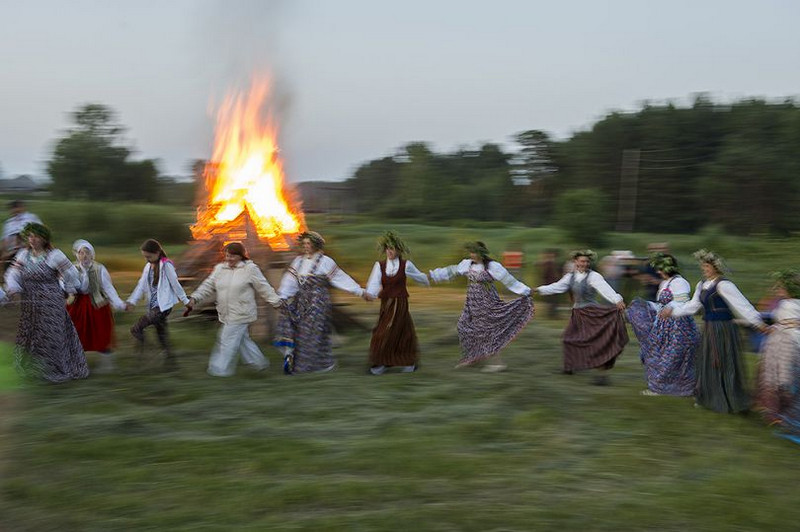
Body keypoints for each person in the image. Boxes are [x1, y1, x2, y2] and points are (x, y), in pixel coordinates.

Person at [661, 249, 767, 413]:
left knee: (724, 362)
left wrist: (757, 322)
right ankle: (709, 397)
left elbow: (742, 305)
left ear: (716, 267)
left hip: (724, 329)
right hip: (709, 328)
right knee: (708, 362)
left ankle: (729, 399)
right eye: (703, 266)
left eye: (707, 266)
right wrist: (673, 311)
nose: (704, 269)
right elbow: (693, 306)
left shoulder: (724, 285)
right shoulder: (701, 285)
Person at [429, 241, 533, 372]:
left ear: (482, 253)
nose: (472, 255)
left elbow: (509, 280)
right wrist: (434, 275)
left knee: (486, 331)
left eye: (475, 252)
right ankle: (473, 357)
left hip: (487, 301)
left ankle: (497, 363)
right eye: (471, 252)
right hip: (472, 301)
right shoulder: (467, 264)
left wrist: (526, 291)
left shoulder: (492, 266)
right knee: (463, 326)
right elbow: (451, 271)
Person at [3, 222, 88, 383]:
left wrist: (68, 289)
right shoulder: (23, 255)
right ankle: (33, 368)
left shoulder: (54, 255)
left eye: (36, 236)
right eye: (29, 236)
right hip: (30, 302)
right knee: (31, 333)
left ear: (44, 239)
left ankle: (53, 368)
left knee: (50, 334)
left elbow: (70, 273)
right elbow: (12, 274)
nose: (32, 239)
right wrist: (14, 289)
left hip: (50, 302)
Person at [185, 242, 283, 377]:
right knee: (243, 341)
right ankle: (259, 364)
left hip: (241, 312)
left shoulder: (250, 269)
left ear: (241, 256)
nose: (229, 259)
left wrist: (276, 301)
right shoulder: (220, 269)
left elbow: (263, 287)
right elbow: (207, 285)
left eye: (232, 256)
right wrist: (195, 298)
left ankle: (219, 370)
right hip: (225, 312)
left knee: (225, 339)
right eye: (227, 256)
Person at [275, 231, 366, 374]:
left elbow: (340, 278)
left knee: (312, 332)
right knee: (292, 323)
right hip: (301, 301)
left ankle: (312, 365)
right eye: (304, 243)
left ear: (316, 245)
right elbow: (289, 281)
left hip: (318, 303)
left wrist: (358, 291)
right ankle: (292, 356)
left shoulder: (325, 261)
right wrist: (282, 296)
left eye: (309, 244)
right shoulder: (298, 261)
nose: (306, 246)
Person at [534, 249, 627, 385]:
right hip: (577, 313)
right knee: (568, 339)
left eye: (587, 261)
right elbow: (556, 287)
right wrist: (539, 290)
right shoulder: (570, 277)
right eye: (582, 261)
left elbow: (605, 289)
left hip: (591, 312)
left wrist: (617, 300)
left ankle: (602, 376)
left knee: (597, 343)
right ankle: (570, 367)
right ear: (575, 261)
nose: (584, 263)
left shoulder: (593, 276)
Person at [626, 253, 699, 396]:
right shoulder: (664, 283)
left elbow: (682, 301)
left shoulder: (680, 282)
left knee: (672, 357)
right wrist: (646, 306)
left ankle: (671, 388)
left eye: (660, 269)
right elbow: (661, 305)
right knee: (659, 355)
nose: (658, 272)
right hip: (663, 325)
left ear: (668, 268)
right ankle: (660, 387)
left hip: (679, 326)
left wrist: (671, 307)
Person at [365, 231, 429, 375]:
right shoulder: (380, 265)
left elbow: (420, 277)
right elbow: (374, 283)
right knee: (386, 331)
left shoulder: (406, 265)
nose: (389, 251)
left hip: (400, 303)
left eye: (392, 248)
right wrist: (370, 294)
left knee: (396, 331)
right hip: (386, 303)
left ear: (399, 250)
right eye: (387, 248)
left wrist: (432, 277)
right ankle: (385, 361)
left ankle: (405, 361)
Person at [125, 239, 190, 371]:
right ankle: (172, 364)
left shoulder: (166, 266)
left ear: (157, 252)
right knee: (162, 335)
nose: (147, 259)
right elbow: (141, 286)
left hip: (163, 307)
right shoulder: (148, 267)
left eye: (149, 256)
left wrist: (186, 301)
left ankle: (147, 353)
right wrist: (132, 301)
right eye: (145, 257)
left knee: (136, 328)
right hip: (153, 306)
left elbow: (175, 284)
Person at [67, 239, 126, 374]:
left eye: (87, 253)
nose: (84, 256)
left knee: (100, 332)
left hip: (97, 305)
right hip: (76, 305)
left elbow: (109, 289)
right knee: (76, 332)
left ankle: (107, 365)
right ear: (77, 254)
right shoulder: (71, 268)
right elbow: (64, 285)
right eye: (81, 253)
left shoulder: (100, 269)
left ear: (92, 254)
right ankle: (76, 365)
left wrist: (119, 304)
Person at [755, 270, 800, 424]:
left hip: (787, 343)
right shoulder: (784, 303)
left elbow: (791, 326)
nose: (778, 289)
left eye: (781, 287)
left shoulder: (792, 304)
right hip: (777, 342)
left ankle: (782, 412)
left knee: (783, 378)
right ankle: (775, 412)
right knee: (774, 377)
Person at [1, 200, 41, 272]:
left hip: (27, 245)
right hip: (12, 249)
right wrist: (4, 251)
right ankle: (3, 278)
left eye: (17, 207)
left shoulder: (31, 218)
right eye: (13, 208)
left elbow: (40, 231)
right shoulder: (9, 222)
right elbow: (4, 239)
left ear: (22, 208)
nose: (15, 210)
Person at [536, 249, 561, 319]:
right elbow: (544, 274)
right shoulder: (548, 264)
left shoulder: (553, 264)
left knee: (553, 300)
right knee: (552, 300)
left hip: (553, 283)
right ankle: (552, 314)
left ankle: (552, 314)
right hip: (550, 283)